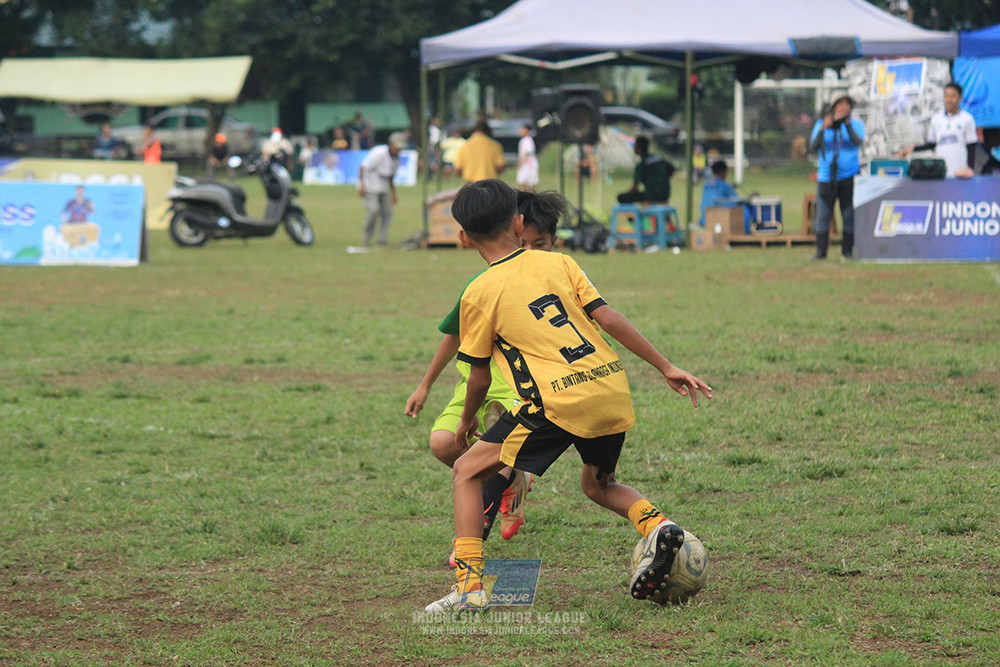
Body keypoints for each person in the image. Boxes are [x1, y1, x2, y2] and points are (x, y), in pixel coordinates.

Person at [423, 179, 712, 612]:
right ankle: (659, 527)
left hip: (555, 401)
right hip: (609, 385)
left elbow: (479, 380)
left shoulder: (478, 292)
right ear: (519, 224)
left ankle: (469, 589)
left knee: (466, 470)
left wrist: (467, 420)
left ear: (463, 238)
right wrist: (665, 365)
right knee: (599, 484)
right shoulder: (560, 262)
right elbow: (609, 318)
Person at [405, 190, 566, 566]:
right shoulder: (484, 285)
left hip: (519, 385)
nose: (529, 252)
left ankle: (471, 547)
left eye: (539, 246)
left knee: (497, 455)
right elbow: (454, 332)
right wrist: (425, 384)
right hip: (475, 382)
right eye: (525, 244)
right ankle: (511, 481)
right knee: (444, 445)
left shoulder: (556, 279)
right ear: (513, 232)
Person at [810, 95, 865, 260]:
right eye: (839, 104)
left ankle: (847, 251)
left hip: (849, 176)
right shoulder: (821, 124)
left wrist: (846, 125)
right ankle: (821, 252)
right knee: (823, 214)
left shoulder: (856, 125)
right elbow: (813, 146)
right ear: (833, 107)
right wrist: (824, 128)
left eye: (847, 104)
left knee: (848, 215)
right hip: (827, 178)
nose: (843, 107)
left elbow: (857, 142)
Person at [897, 82, 977, 180]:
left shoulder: (967, 119)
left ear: (960, 98)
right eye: (946, 96)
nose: (949, 100)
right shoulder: (936, 119)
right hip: (941, 173)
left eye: (953, 96)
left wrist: (970, 169)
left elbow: (971, 146)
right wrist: (912, 149)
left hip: (960, 173)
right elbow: (931, 144)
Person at [358, 131, 407, 247]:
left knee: (388, 213)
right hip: (370, 187)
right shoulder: (379, 153)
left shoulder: (397, 159)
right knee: (373, 210)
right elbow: (363, 167)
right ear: (391, 144)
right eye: (397, 147)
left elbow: (390, 177)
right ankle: (366, 237)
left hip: (383, 188)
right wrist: (362, 185)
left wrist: (393, 193)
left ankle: (382, 239)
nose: (398, 150)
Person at [617, 136, 675, 204]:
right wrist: (662, 181)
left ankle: (635, 214)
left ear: (638, 147)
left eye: (635, 145)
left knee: (621, 197)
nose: (633, 148)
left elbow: (635, 188)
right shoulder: (658, 158)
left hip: (651, 196)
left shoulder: (642, 165)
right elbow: (672, 169)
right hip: (665, 194)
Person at [699, 160, 753, 227]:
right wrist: (751, 196)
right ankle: (745, 232)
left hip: (704, 219)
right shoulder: (725, 186)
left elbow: (716, 190)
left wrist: (730, 186)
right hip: (717, 220)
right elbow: (738, 200)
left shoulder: (706, 184)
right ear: (724, 171)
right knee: (745, 208)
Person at [515, 124, 539, 189]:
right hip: (526, 164)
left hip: (528, 164)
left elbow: (527, 153)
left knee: (529, 183)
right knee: (523, 182)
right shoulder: (524, 140)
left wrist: (521, 163)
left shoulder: (527, 140)